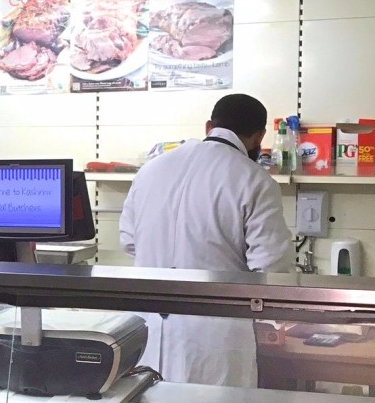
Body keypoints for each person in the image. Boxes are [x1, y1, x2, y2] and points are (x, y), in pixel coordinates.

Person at [119, 94, 292, 387]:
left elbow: (129, 242)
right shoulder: (255, 180)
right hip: (214, 333)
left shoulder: (151, 170)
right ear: (259, 136)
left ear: (209, 125)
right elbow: (271, 269)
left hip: (147, 327)